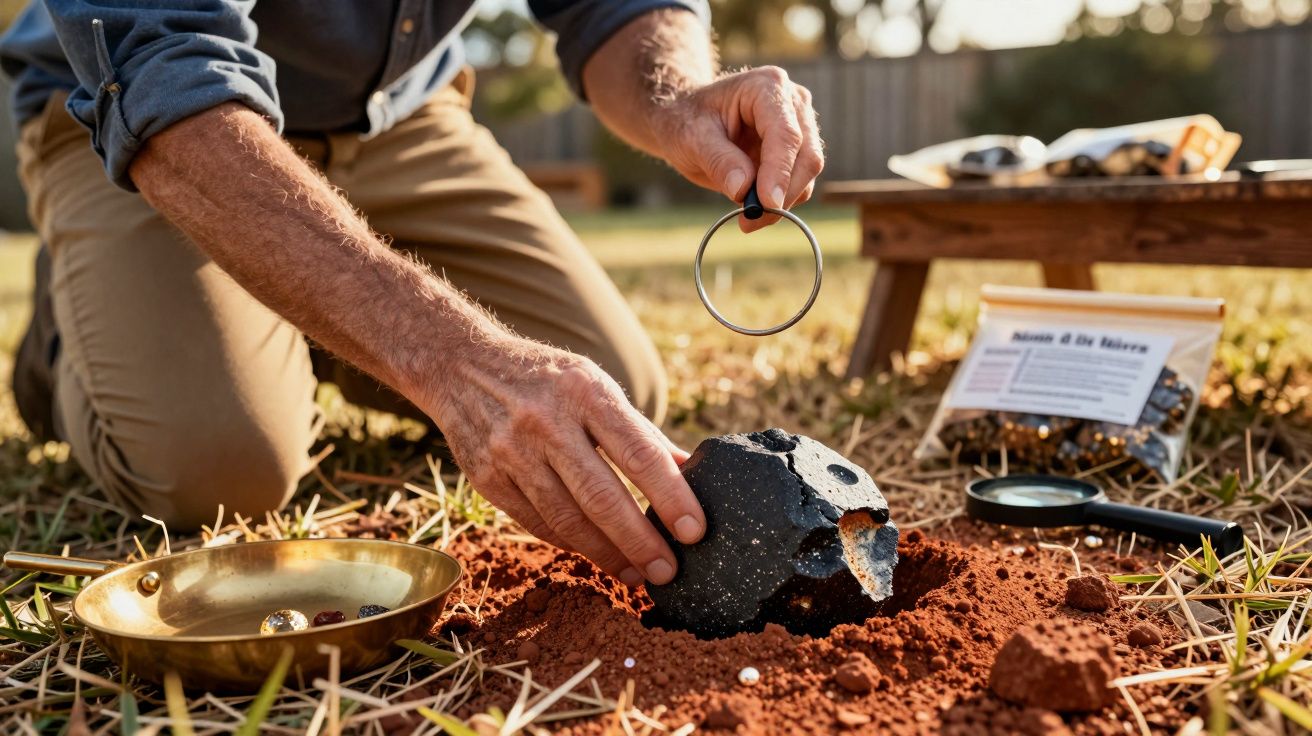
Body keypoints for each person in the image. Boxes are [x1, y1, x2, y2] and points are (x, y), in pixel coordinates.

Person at [1, 1, 824, 588]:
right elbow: (162, 66)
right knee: (218, 466)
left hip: (398, 120)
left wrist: (677, 95)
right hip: (164, 126)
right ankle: (69, 338)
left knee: (610, 388)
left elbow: (613, 8)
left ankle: (296, 317)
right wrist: (450, 360)